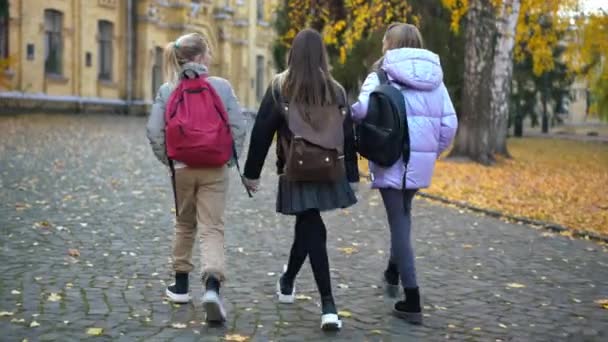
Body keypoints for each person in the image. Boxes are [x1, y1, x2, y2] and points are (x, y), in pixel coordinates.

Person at [242, 28, 359, 331]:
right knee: (310, 225)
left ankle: (327, 303)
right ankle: (289, 281)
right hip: (329, 169)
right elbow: (348, 134)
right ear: (322, 54)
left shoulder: (280, 86)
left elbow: (262, 132)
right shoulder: (336, 90)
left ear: (293, 52)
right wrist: (351, 173)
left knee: (311, 227)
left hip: (296, 169)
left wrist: (251, 174)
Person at [352, 23, 458, 324]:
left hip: (390, 159)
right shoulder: (436, 78)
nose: (383, 46)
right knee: (404, 216)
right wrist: (428, 152)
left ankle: (412, 300)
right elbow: (450, 125)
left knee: (399, 224)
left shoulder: (382, 74)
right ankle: (392, 271)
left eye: (385, 41)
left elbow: (360, 110)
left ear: (391, 44)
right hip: (417, 163)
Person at [146, 32, 247, 323]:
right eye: (210, 53)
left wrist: (170, 160)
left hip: (181, 168)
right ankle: (212, 287)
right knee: (212, 227)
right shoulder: (222, 87)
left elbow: (154, 131)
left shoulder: (168, 89)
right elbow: (239, 126)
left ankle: (179, 286)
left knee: (184, 223)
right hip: (215, 167)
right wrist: (229, 158)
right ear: (202, 57)